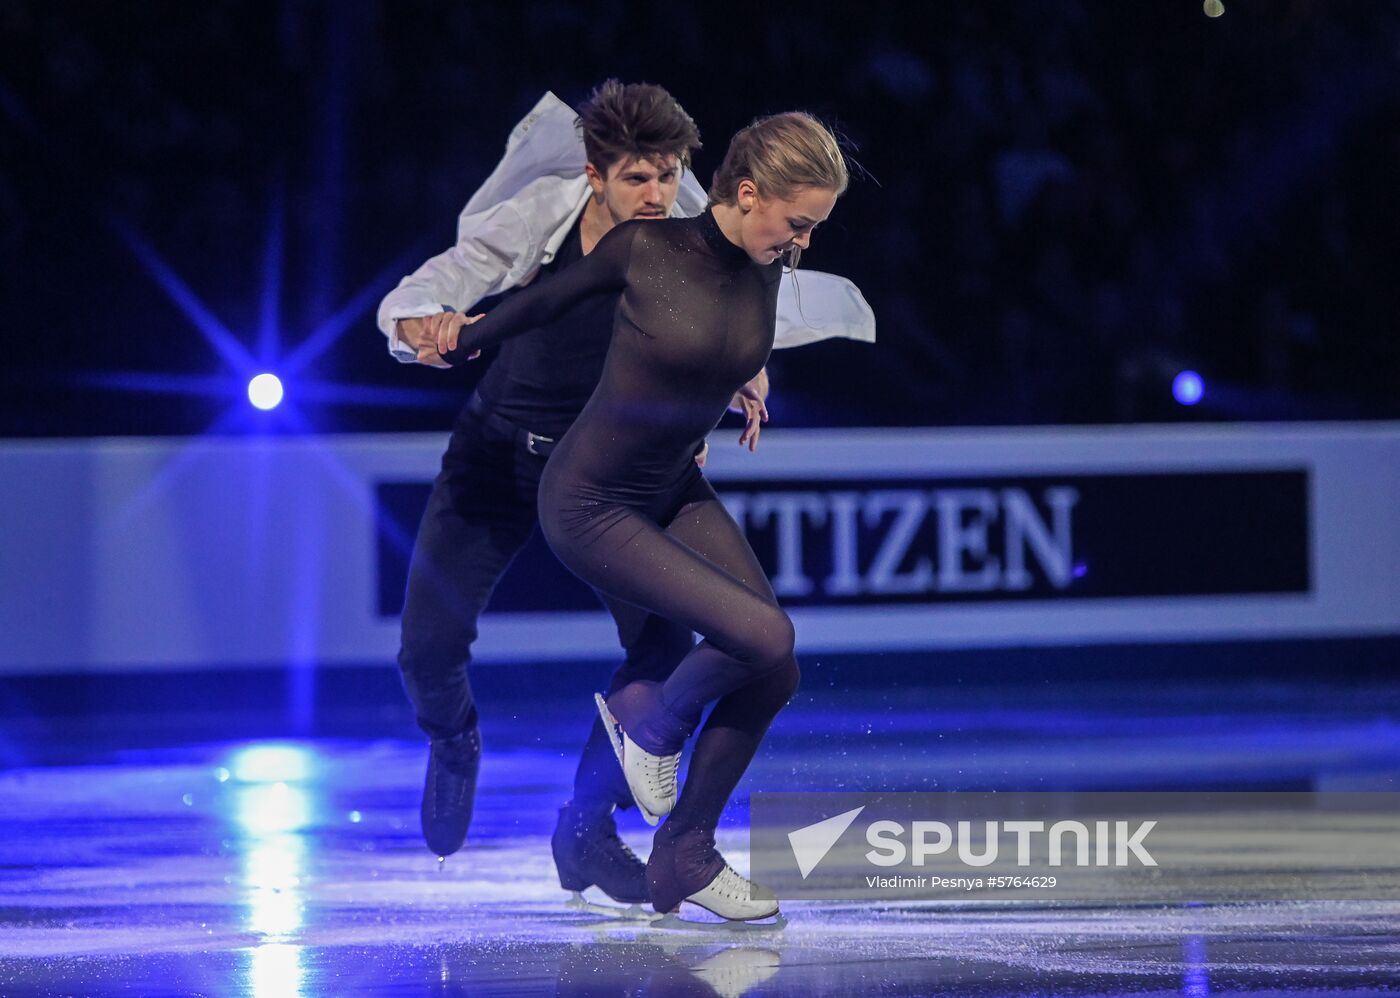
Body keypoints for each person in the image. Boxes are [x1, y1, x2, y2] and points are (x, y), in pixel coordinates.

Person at [377, 83, 873, 908]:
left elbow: (722, 290)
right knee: (428, 649)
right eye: (637, 180)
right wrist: (420, 326)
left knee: (666, 651)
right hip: (501, 456)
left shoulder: (692, 220)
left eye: (668, 176)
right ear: (594, 175)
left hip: (613, 471)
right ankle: (453, 738)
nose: (656, 195)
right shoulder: (538, 218)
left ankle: (586, 829)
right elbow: (441, 286)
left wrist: (741, 373)